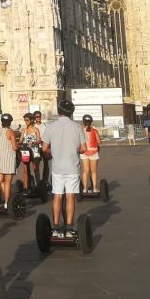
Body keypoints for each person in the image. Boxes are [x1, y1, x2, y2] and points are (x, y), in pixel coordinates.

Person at [42, 100, 87, 238]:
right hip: (72, 167)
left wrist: (53, 153)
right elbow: (84, 148)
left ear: (59, 111)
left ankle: (55, 228)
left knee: (57, 196)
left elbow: (44, 149)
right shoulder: (77, 127)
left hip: (57, 167)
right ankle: (69, 228)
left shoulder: (51, 127)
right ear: (71, 112)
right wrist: (73, 150)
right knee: (70, 197)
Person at [0, 113, 18, 208]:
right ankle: (6, 203)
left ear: (2, 122)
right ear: (9, 123)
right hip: (8, 158)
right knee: (8, 181)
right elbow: (14, 147)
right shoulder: (10, 132)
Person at [18, 112, 41, 188]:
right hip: (25, 151)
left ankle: (38, 185)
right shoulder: (24, 130)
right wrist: (21, 142)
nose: (26, 122)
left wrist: (34, 142)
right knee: (25, 169)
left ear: (31, 120)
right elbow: (20, 140)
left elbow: (39, 140)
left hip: (34, 151)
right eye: (25, 120)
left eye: (27, 120)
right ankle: (26, 186)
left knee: (35, 168)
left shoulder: (36, 129)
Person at [80, 114, 102, 192]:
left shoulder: (80, 130)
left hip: (84, 151)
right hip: (93, 151)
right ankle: (95, 188)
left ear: (83, 121)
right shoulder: (94, 130)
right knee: (94, 171)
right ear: (91, 122)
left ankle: (85, 189)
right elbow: (99, 142)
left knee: (85, 171)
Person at [34, 111, 50, 184]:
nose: (38, 118)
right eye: (37, 117)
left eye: (39, 116)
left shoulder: (45, 125)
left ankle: (45, 180)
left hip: (44, 146)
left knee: (46, 164)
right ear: (34, 118)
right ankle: (37, 181)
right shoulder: (33, 126)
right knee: (36, 165)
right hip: (36, 148)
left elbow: (48, 135)